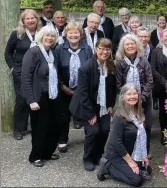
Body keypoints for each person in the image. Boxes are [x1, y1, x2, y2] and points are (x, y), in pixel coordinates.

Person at [69, 38, 116, 171]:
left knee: (105, 130)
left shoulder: (111, 66)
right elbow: (82, 93)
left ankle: (98, 155)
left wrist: (111, 105)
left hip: (103, 105)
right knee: (93, 131)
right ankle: (87, 158)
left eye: (108, 49)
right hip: (87, 106)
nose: (105, 52)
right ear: (96, 49)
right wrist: (90, 114)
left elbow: (112, 89)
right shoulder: (86, 68)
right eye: (102, 48)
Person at [96, 84, 152, 187]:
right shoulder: (119, 116)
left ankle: (127, 167)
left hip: (131, 150)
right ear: (123, 97)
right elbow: (117, 143)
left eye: (135, 93)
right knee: (137, 180)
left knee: (148, 170)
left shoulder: (139, 112)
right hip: (116, 153)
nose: (132, 96)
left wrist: (143, 156)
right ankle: (107, 167)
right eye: (129, 94)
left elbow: (141, 136)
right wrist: (131, 162)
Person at [21, 25, 61, 167]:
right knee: (40, 127)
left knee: (55, 125)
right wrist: (31, 100)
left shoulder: (52, 53)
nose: (49, 38)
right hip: (39, 96)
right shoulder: (34, 52)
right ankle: (36, 156)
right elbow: (26, 77)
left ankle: (47, 153)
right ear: (41, 37)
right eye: (47, 36)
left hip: (52, 94)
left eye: (52, 36)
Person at [55, 22, 93, 152]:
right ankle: (62, 139)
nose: (73, 35)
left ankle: (90, 138)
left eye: (76, 32)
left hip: (82, 89)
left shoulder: (87, 49)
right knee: (63, 115)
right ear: (66, 34)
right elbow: (55, 69)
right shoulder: (59, 49)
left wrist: (81, 89)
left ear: (81, 35)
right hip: (64, 88)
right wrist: (62, 86)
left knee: (86, 113)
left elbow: (91, 70)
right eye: (70, 32)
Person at [5, 9, 42, 140]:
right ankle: (19, 129)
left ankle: (36, 127)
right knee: (22, 99)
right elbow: (8, 52)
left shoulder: (42, 34)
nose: (31, 20)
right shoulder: (17, 34)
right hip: (20, 71)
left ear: (37, 20)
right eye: (27, 18)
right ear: (23, 21)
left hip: (38, 72)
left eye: (33, 18)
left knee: (36, 98)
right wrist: (13, 68)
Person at [115, 34, 153, 156]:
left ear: (137, 45)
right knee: (128, 129)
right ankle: (129, 155)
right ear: (123, 47)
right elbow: (118, 84)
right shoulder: (120, 63)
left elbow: (149, 81)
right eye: (127, 44)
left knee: (145, 127)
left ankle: (144, 155)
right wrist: (129, 98)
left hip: (144, 100)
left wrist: (141, 98)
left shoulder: (143, 60)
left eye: (132, 43)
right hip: (126, 102)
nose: (130, 46)